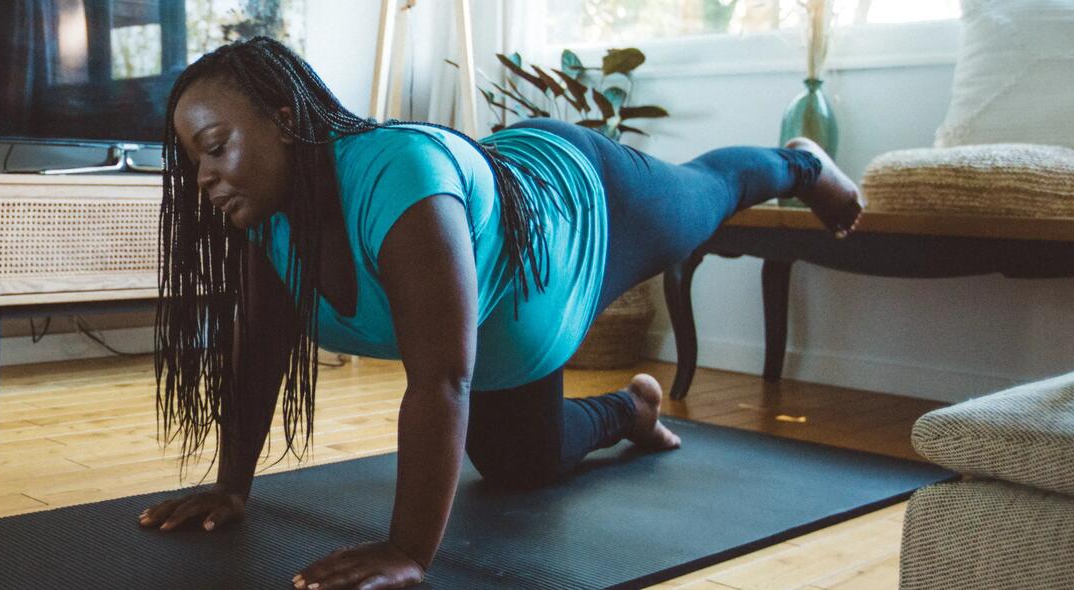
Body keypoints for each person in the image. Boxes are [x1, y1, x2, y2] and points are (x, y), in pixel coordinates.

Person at [136, 37, 863, 590]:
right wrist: (232, 486)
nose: (203, 180)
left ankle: (799, 163)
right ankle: (632, 409)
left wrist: (407, 552)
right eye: (192, 163)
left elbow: (442, 384)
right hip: (512, 333)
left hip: (582, 207)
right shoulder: (264, 222)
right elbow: (258, 354)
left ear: (284, 120)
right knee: (520, 465)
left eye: (216, 148)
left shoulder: (401, 180)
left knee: (706, 194)